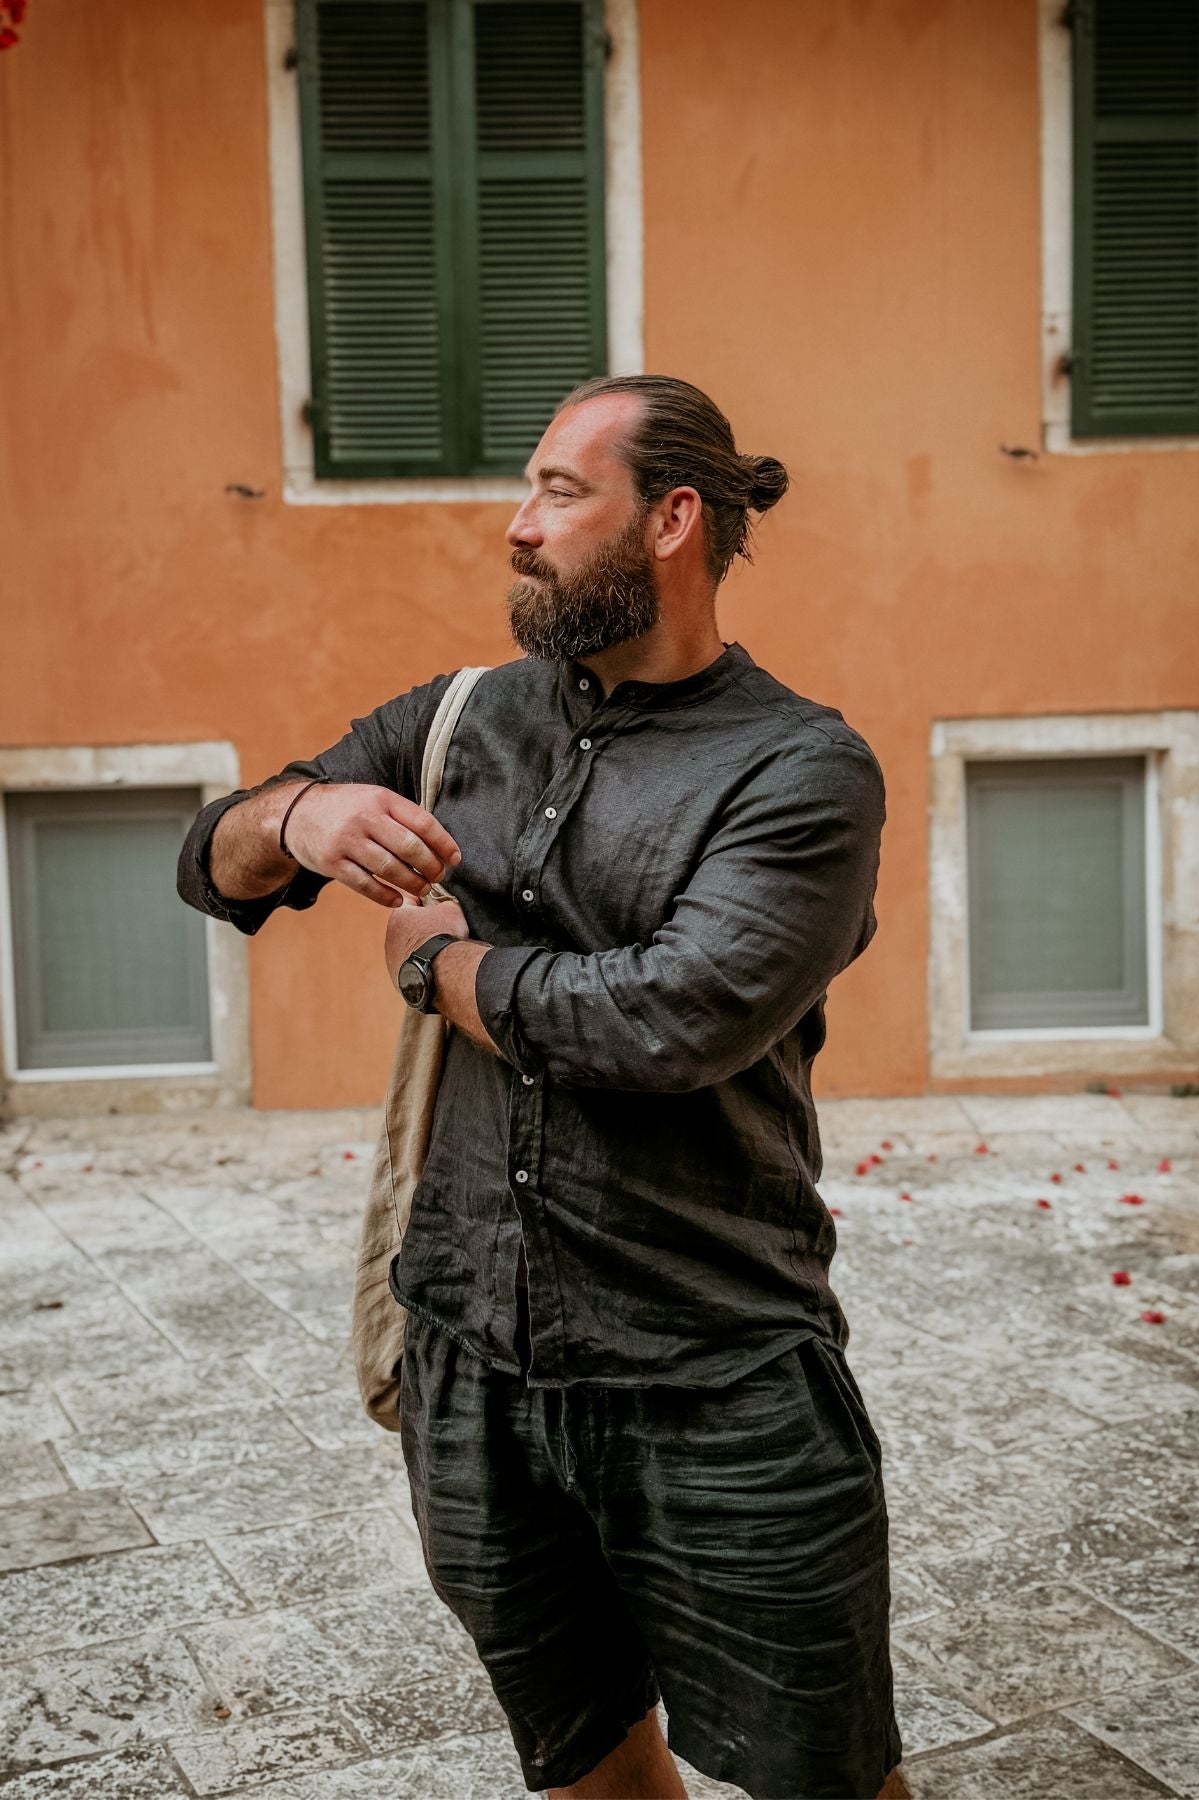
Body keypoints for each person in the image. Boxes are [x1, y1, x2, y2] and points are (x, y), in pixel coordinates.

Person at [178, 374, 907, 1800]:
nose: (518, 525)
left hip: (715, 1381)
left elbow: (671, 1021)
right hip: (471, 1371)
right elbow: (215, 861)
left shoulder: (802, 768)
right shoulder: (460, 719)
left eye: (560, 493)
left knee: (828, 1776)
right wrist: (302, 812)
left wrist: (437, 967)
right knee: (581, 1762)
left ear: (672, 520)